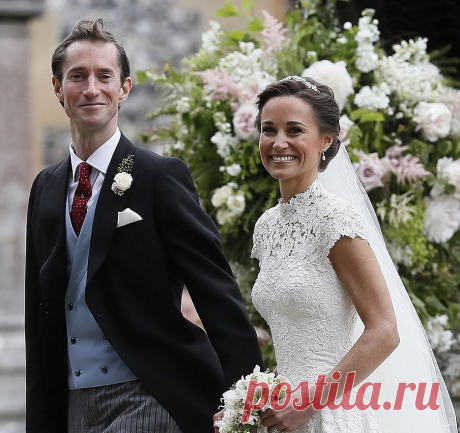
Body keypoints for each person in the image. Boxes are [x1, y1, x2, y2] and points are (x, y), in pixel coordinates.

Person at [25, 17, 263, 433]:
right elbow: (38, 314)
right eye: (77, 76)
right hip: (72, 403)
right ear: (58, 88)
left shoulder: (159, 177)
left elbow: (216, 291)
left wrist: (251, 396)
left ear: (125, 88)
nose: (92, 89)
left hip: (151, 392)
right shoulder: (45, 188)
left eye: (105, 76)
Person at [247, 76, 457, 432]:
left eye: (294, 130)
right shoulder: (267, 226)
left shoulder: (336, 219)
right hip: (284, 415)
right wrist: (250, 407)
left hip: (327, 414)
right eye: (269, 130)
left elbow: (385, 330)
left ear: (325, 140)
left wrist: (307, 405)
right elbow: (296, 338)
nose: (278, 142)